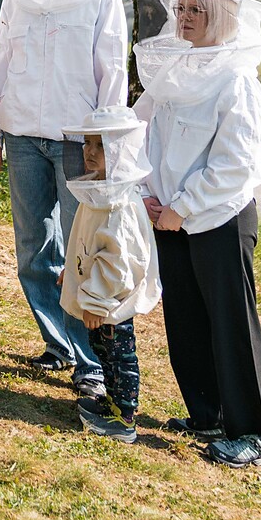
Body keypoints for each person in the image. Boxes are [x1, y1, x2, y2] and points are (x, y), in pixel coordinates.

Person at [0, 0, 128, 391]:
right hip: (20, 133)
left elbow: (112, 68)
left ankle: (90, 366)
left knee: (82, 250)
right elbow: (0, 54)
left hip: (76, 139)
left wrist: (104, 141)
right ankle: (58, 344)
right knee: (33, 248)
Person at [133, 0, 261, 468]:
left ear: (221, 18)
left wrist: (182, 208)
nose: (184, 16)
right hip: (168, 216)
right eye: (182, 7)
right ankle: (208, 415)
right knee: (187, 321)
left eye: (197, 9)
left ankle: (250, 434)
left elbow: (238, 165)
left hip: (218, 219)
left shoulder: (237, 81)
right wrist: (146, 194)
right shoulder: (173, 68)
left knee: (231, 324)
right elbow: (142, 132)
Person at [59, 104, 162, 443]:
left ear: (121, 149)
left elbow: (117, 264)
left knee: (119, 356)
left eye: (100, 146)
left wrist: (94, 299)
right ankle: (112, 402)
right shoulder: (100, 192)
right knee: (103, 353)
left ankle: (125, 417)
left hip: (111, 304)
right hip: (98, 301)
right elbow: (88, 244)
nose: (89, 152)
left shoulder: (119, 206)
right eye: (88, 143)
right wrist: (72, 273)